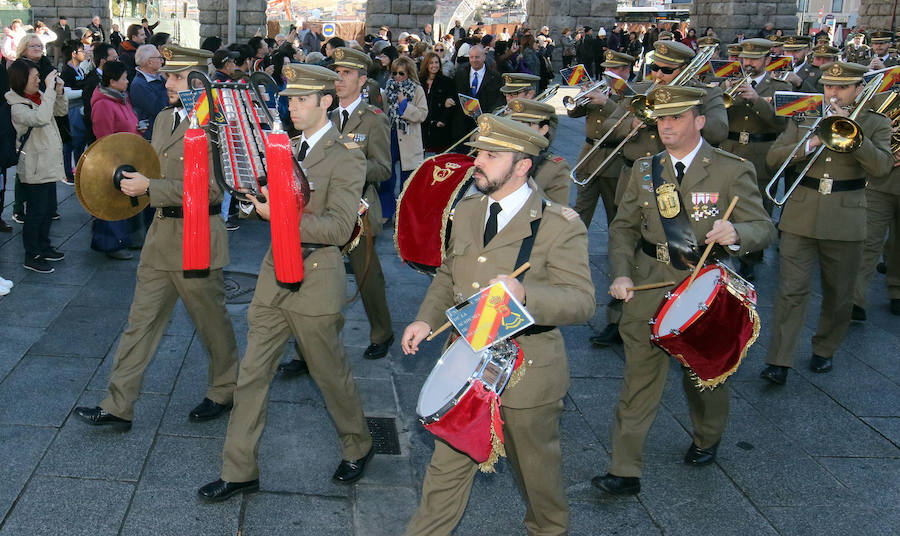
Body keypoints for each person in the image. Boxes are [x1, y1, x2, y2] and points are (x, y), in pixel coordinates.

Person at [402, 114, 594, 535]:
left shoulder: (558, 224)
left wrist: (527, 295)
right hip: (467, 365)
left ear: (522, 165)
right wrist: (424, 319)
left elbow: (582, 302)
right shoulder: (468, 208)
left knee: (537, 478)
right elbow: (448, 274)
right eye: (479, 152)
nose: (477, 162)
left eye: (491, 155)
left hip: (528, 372)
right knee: (444, 474)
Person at [198, 63, 374, 502]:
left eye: (301, 99)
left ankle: (359, 443)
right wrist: (251, 201)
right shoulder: (285, 145)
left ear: (325, 102)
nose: (292, 106)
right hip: (274, 273)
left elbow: (337, 229)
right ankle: (239, 470)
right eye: (290, 98)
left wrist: (277, 213)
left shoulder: (347, 154)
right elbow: (269, 201)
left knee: (329, 372)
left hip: (317, 277)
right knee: (252, 374)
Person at [594, 85, 775, 497]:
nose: (666, 125)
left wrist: (738, 233)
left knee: (702, 376)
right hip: (646, 282)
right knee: (638, 379)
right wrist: (620, 274)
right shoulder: (644, 169)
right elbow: (622, 228)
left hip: (702, 289)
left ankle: (707, 436)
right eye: (661, 118)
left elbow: (764, 227)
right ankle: (624, 469)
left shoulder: (730, 169)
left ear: (699, 121)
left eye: (676, 117)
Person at [73, 45, 239, 430]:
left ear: (199, 81)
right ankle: (118, 405)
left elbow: (215, 190)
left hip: (197, 236)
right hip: (161, 235)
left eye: (176, 77)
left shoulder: (217, 125)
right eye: (167, 74)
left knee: (211, 324)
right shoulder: (166, 119)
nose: (167, 82)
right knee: (139, 323)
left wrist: (152, 187)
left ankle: (224, 390)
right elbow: (152, 167)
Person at [760, 61, 893, 385]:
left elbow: (882, 168)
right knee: (791, 290)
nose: (832, 93)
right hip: (801, 214)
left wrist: (856, 136)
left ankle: (825, 347)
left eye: (841, 87)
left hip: (846, 217)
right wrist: (811, 142)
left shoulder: (875, 123)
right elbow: (773, 158)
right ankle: (780, 359)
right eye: (828, 86)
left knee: (839, 292)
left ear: (858, 89)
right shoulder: (805, 115)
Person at [590, 40, 729, 348]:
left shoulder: (705, 94)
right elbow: (609, 127)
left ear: (685, 70)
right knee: (626, 244)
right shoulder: (639, 88)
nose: (657, 75)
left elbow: (719, 131)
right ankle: (619, 317)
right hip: (636, 179)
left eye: (666, 70)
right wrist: (633, 121)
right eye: (654, 67)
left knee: (676, 250)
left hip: (680, 184)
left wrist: (681, 117)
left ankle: (681, 319)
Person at [278, 47, 394, 377]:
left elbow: (384, 168)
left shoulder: (374, 119)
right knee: (307, 278)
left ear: (363, 80)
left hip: (357, 210)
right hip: (316, 208)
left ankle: (381, 332)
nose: (339, 78)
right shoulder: (320, 115)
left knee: (368, 276)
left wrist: (347, 167)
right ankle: (304, 351)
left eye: (347, 73)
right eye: (336, 72)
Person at [717, 38, 791, 280]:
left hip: (760, 155)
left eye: (754, 59)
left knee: (756, 208)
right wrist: (721, 92)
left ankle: (750, 258)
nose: (748, 63)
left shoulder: (781, 87)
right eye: (745, 58)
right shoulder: (727, 82)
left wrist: (756, 99)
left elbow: (781, 123)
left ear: (767, 60)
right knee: (721, 204)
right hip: (730, 149)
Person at [6, 59, 68, 274]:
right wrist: (50, 90)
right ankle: (31, 255)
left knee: (48, 210)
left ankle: (44, 246)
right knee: (36, 213)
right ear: (22, 80)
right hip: (34, 166)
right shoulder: (17, 106)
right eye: (35, 78)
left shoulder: (39, 96)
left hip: (48, 164)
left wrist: (58, 93)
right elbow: (41, 118)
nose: (39, 81)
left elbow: (58, 113)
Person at [569, 51, 636, 229]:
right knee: (581, 210)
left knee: (614, 214)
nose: (609, 74)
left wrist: (606, 102)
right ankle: (570, 250)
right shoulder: (600, 89)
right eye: (607, 69)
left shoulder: (633, 94)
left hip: (614, 159)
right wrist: (579, 97)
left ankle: (617, 254)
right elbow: (573, 112)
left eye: (614, 69)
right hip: (589, 157)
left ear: (626, 71)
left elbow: (629, 120)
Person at [854, 89, 900, 318]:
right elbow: (860, 127)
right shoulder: (882, 94)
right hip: (880, 182)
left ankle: (897, 291)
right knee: (868, 241)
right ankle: (856, 299)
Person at [89, 60, 139, 260]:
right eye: (124, 79)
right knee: (112, 204)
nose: (127, 82)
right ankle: (110, 245)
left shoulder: (121, 97)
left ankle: (121, 240)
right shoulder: (103, 104)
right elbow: (104, 137)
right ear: (112, 81)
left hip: (127, 156)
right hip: (114, 161)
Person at [382, 55, 427, 221]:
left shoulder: (417, 90)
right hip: (391, 134)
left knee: (408, 178)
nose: (397, 77)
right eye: (394, 73)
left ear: (409, 73)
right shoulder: (389, 88)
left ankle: (405, 212)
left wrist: (404, 106)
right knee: (387, 176)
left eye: (401, 73)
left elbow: (422, 114)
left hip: (409, 137)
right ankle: (387, 211)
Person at [504, 98, 571, 205]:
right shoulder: (503, 156)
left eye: (526, 125)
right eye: (515, 124)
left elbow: (559, 212)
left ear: (543, 130)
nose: (518, 130)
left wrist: (527, 182)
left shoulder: (556, 167)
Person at [451, 44, 502, 145]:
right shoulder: (460, 73)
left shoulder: (495, 77)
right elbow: (454, 93)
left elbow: (498, 100)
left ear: (484, 57)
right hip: (462, 128)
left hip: (484, 127)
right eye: (471, 57)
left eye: (477, 57)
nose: (474, 60)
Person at [59, 40, 89, 187]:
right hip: (71, 110)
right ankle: (67, 174)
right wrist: (84, 92)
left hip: (79, 110)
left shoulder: (80, 69)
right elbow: (66, 93)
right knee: (70, 143)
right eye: (81, 51)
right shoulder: (66, 71)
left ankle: (78, 170)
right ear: (74, 54)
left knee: (79, 142)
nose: (84, 53)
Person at [419, 51, 456, 152]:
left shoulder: (447, 82)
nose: (434, 65)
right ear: (426, 64)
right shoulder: (419, 81)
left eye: (436, 62)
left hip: (439, 128)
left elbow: (452, 104)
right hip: (422, 126)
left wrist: (442, 121)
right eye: (431, 63)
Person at [130, 44, 167, 141]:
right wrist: (169, 85)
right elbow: (159, 108)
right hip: (153, 135)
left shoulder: (159, 77)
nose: (162, 61)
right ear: (149, 62)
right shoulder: (139, 85)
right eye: (159, 58)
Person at [83, 43, 117, 145]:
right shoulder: (91, 82)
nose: (118, 62)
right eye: (115, 59)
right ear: (103, 61)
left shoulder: (117, 78)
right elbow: (90, 114)